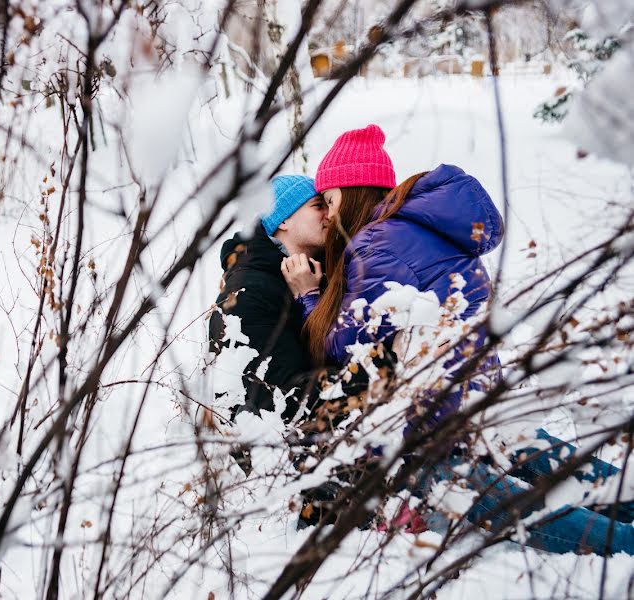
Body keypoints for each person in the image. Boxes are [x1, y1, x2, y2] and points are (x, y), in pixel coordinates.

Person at [281, 123, 634, 554]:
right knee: (552, 463)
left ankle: (625, 548)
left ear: (351, 193)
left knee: (522, 508)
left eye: (331, 201)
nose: (330, 215)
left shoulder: (375, 245)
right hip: (474, 388)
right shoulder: (414, 228)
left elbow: (349, 341)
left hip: (439, 414)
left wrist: (309, 296)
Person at [208, 175, 327, 423]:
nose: (330, 213)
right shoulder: (249, 291)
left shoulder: (316, 273)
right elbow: (284, 400)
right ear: (283, 219)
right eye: (318, 205)